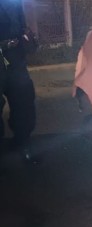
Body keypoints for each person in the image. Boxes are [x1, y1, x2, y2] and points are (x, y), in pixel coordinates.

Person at [0, 0, 38, 163]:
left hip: (14, 56)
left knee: (24, 101)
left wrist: (27, 34)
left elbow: (21, 19)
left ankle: (23, 142)